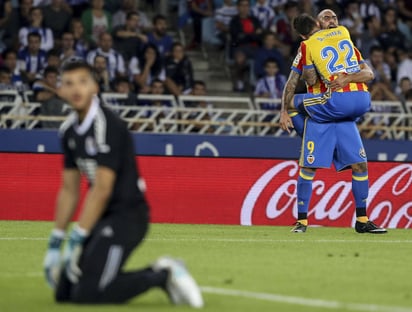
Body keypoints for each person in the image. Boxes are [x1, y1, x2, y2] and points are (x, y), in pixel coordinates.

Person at [42, 60, 204, 307]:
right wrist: (56, 240)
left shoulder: (107, 125)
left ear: (95, 87)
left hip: (128, 216)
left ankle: (164, 274)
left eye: (83, 82)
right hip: (101, 218)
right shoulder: (68, 130)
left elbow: (103, 188)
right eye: (69, 83)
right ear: (61, 90)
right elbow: (69, 190)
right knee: (64, 293)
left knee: (89, 294)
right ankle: (131, 274)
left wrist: (77, 238)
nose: (76, 89)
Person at [280, 11, 386, 234]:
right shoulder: (321, 43)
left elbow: (367, 73)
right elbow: (298, 81)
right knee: (309, 166)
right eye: (326, 19)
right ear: (317, 24)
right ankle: (302, 222)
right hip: (328, 109)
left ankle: (363, 220)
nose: (331, 22)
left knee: (360, 165)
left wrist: (346, 78)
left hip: (337, 109)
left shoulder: (340, 43)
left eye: (334, 19)